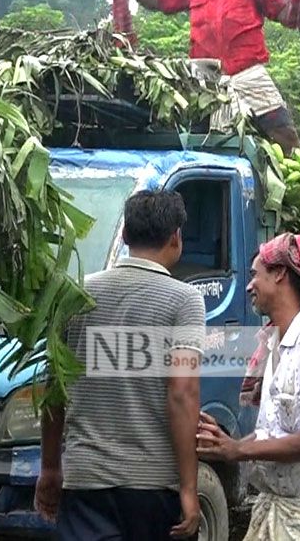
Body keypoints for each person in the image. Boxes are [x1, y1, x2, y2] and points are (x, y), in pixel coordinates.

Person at [34, 190, 204, 539]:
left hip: (85, 481)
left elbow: (55, 387)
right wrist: (189, 488)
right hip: (153, 485)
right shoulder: (185, 301)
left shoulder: (76, 294)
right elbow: (182, 392)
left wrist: (50, 467)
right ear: (176, 238)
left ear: (124, 234)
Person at [197, 233, 300, 540]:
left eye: (255, 274)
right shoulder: (273, 342)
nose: (249, 285)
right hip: (274, 508)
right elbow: (274, 432)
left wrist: (239, 450)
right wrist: (223, 445)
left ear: (280, 273)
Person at [112, 0, 300, 154]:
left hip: (249, 73)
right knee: (205, 143)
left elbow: (288, 17)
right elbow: (154, 1)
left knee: (285, 135)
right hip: (205, 79)